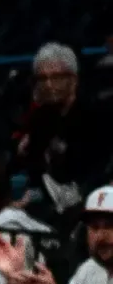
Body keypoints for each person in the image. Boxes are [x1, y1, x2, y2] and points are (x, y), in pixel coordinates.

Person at [13, 43, 110, 216]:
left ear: (73, 80)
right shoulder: (40, 118)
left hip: (91, 200)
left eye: (56, 77)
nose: (48, 85)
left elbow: (98, 170)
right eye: (42, 79)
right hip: (49, 203)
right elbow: (35, 169)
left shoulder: (97, 116)